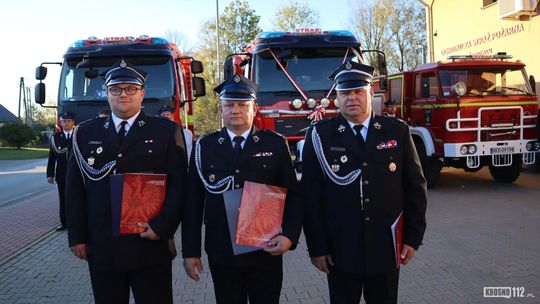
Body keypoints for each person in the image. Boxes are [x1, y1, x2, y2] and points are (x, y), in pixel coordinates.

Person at [301, 61, 427, 304]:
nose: (352, 98)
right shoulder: (320, 135)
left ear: (370, 93)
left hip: (385, 246)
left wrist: (412, 237)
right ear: (336, 98)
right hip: (340, 250)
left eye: (358, 91)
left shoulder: (396, 131)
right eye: (345, 93)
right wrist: (317, 247)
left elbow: (415, 187)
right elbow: (311, 196)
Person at [65, 59, 187, 304]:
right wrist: (77, 236)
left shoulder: (166, 131)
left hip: (149, 242)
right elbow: (74, 190)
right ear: (107, 94)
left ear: (142, 94)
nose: (123, 94)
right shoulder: (85, 133)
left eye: (131, 89)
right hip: (103, 245)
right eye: (116, 89)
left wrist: (163, 227)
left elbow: (179, 185)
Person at [181, 74, 302, 304]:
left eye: (242, 105)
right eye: (229, 105)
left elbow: (293, 196)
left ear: (254, 108)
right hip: (222, 250)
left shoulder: (275, 143)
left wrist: (289, 236)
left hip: (265, 248)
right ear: (221, 109)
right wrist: (191, 251)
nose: (235, 110)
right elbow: (192, 204)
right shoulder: (204, 147)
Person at [46, 111, 75, 231]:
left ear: (73, 122)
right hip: (62, 175)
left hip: (77, 174)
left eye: (68, 121)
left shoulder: (79, 135)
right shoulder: (55, 138)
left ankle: (77, 223)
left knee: (77, 199)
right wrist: (50, 174)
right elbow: (52, 157)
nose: (66, 123)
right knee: (63, 200)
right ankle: (64, 223)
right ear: (61, 122)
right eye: (64, 121)